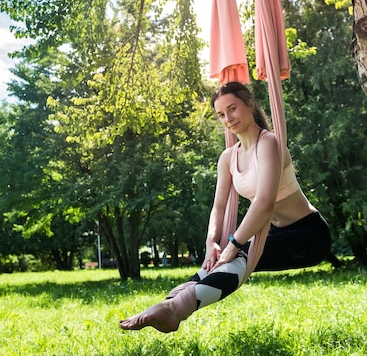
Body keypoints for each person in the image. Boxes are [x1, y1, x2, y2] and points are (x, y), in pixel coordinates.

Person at [119, 82, 331, 333]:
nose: (228, 118)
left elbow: (264, 203)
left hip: (308, 235)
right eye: (221, 114)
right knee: (218, 262)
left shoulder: (269, 143)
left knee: (237, 256)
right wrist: (212, 244)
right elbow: (218, 207)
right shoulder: (229, 157)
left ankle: (176, 309)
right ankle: (169, 304)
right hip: (273, 232)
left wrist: (234, 243)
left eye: (232, 109)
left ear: (249, 104)